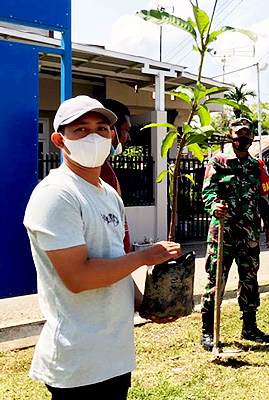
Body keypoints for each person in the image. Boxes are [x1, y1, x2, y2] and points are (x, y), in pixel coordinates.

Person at [23, 95, 181, 399]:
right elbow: (79, 278)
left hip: (114, 354)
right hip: (78, 361)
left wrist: (144, 305)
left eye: (101, 128)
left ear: (112, 135)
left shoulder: (108, 193)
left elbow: (115, 261)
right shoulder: (57, 195)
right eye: (81, 130)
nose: (93, 136)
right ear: (59, 140)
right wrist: (146, 256)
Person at [200, 117, 269, 350]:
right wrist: (215, 206)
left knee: (250, 281)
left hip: (249, 235)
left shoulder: (256, 166)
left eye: (247, 134)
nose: (243, 138)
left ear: (252, 138)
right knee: (216, 281)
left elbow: (264, 199)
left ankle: (250, 327)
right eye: (238, 134)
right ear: (229, 137)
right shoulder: (219, 162)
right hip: (223, 234)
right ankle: (208, 330)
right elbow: (208, 192)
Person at [99, 98, 132, 253]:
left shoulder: (105, 167)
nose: (128, 138)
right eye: (126, 130)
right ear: (112, 131)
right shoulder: (97, 172)